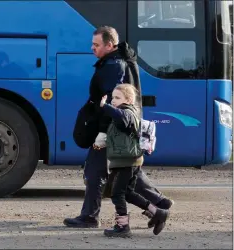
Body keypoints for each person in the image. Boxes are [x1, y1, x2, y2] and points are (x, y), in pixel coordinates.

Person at [64, 26, 173, 228]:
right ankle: (159, 203)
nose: (92, 48)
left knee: (97, 171)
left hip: (113, 129)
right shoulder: (117, 61)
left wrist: (104, 133)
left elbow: (112, 102)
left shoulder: (113, 66)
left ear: (109, 45)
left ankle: (90, 216)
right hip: (117, 128)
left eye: (96, 45)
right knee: (126, 169)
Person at [99, 83, 169, 237]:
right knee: (128, 193)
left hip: (127, 161)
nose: (114, 100)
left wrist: (105, 106)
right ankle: (157, 212)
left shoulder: (128, 112)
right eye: (113, 98)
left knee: (117, 194)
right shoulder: (121, 113)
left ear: (129, 100)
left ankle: (123, 227)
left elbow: (122, 118)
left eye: (118, 98)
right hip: (124, 160)